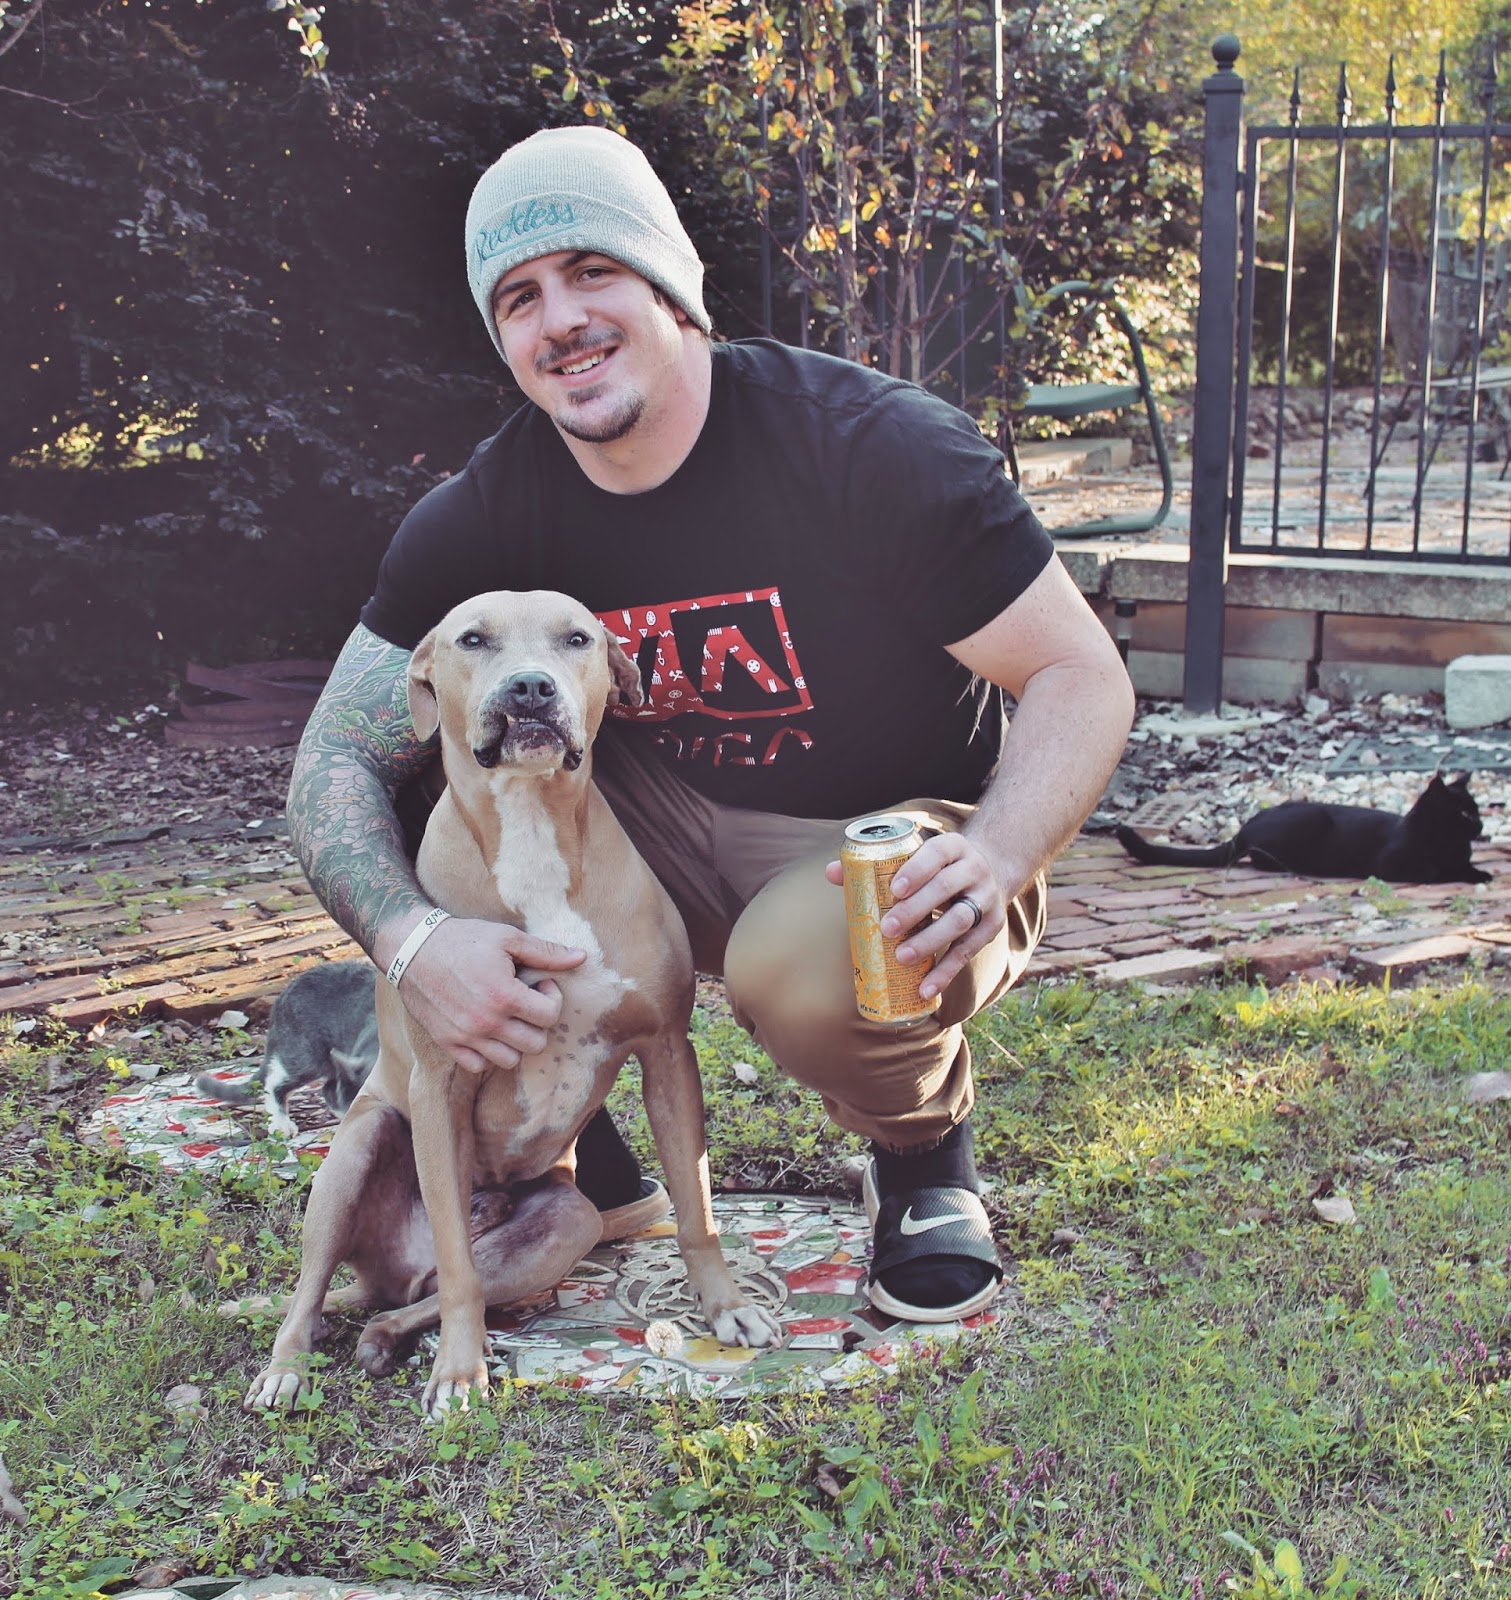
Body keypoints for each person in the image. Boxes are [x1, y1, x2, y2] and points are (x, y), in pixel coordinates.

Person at [287, 125, 1134, 1324]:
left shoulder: (868, 447)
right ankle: (570, 1146)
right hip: (649, 841)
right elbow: (335, 754)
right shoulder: (484, 509)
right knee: (452, 735)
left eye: (592, 271)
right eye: (519, 299)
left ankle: (921, 1156)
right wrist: (414, 942)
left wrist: (995, 854)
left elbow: (1080, 674)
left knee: (804, 970)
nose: (561, 319)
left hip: (877, 839)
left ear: (671, 285)